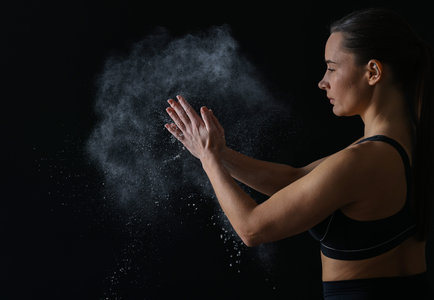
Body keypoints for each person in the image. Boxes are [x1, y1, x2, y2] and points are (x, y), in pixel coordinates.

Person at [164, 8, 433, 299]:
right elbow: (295, 179)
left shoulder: (364, 160)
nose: (322, 82)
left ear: (373, 72)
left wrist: (209, 160)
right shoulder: (405, 147)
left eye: (331, 67)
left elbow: (252, 228)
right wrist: (220, 153)